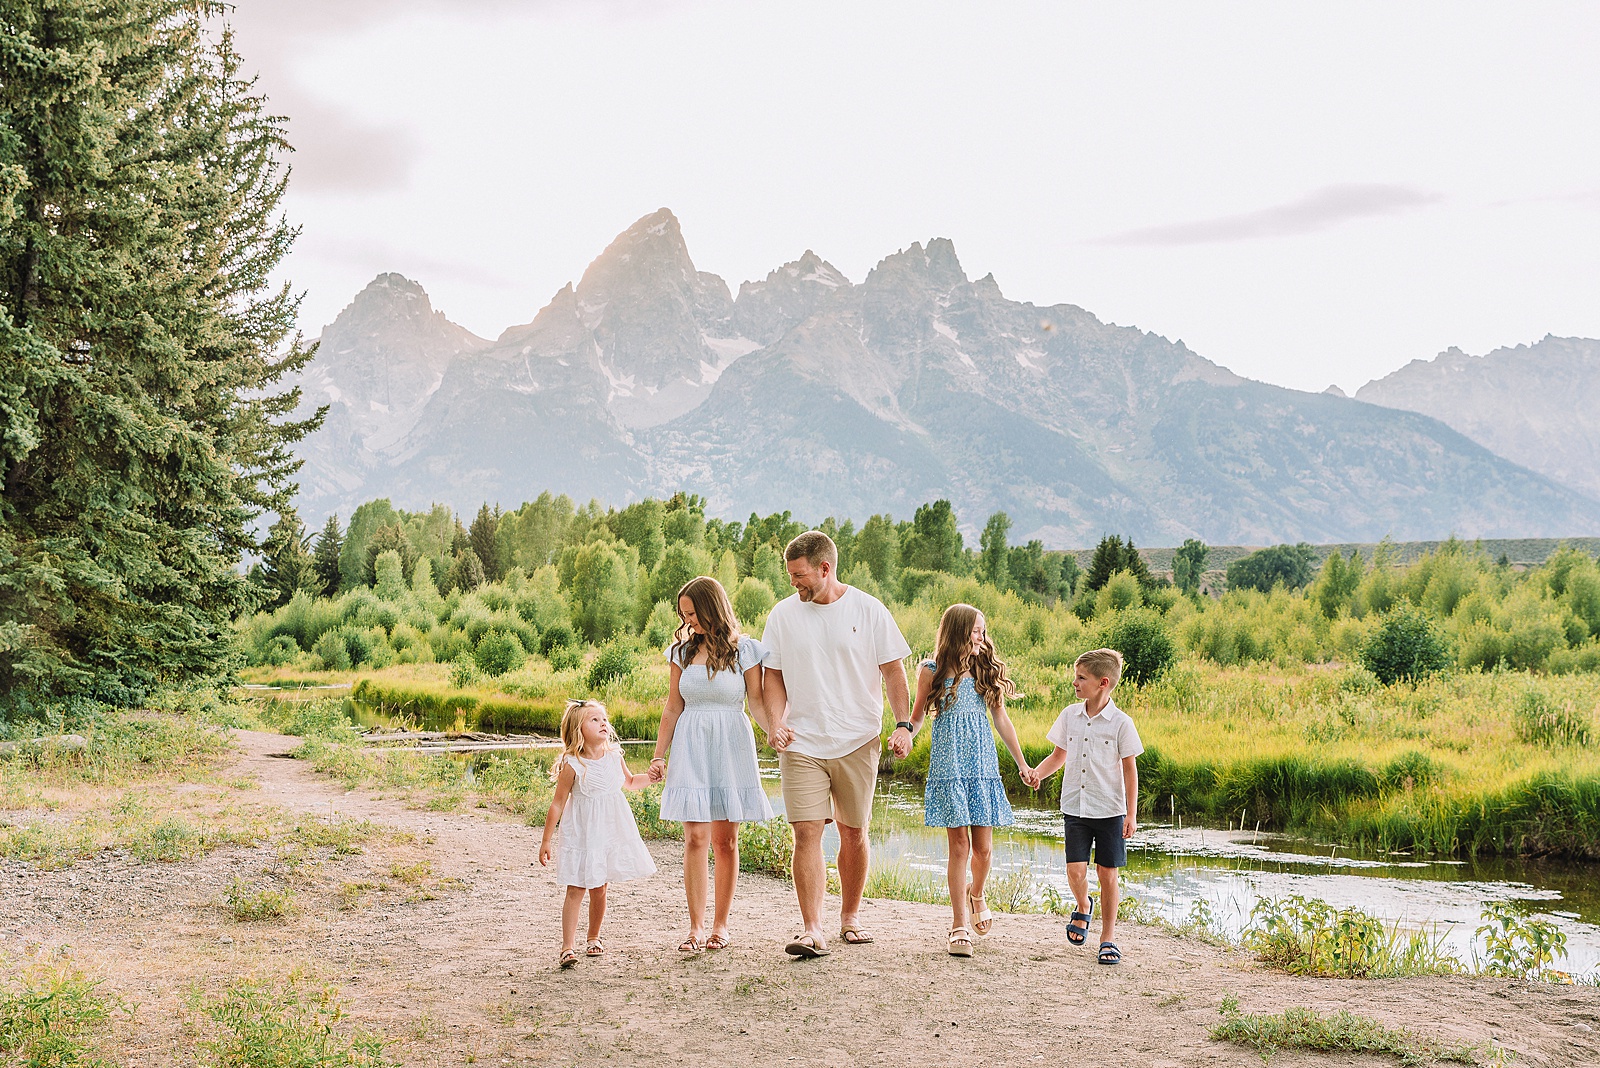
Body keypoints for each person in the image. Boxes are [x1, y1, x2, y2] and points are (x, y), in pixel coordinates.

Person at [762, 530, 912, 958]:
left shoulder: (868, 610)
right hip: (802, 741)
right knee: (806, 833)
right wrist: (775, 722)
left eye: (800, 575)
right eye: (790, 576)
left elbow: (894, 672)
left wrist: (903, 725)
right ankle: (812, 929)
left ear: (825, 568)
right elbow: (772, 676)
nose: (794, 583)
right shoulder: (783, 616)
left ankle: (850, 917)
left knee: (854, 832)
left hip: (857, 739)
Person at [649, 576, 789, 955]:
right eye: (683, 614)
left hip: (731, 744)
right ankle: (695, 927)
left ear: (711, 608)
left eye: (692, 613)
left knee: (725, 841)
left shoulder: (745, 650)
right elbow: (672, 706)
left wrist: (774, 730)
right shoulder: (680, 652)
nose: (688, 620)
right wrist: (659, 755)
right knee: (695, 837)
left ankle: (720, 925)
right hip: (691, 744)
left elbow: (757, 702)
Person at [907, 603, 1032, 957]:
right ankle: (958, 925)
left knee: (984, 850)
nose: (981, 637)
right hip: (949, 768)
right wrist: (905, 735)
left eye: (983, 630)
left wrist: (1022, 763)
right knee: (959, 846)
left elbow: (1002, 721)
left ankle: (975, 892)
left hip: (981, 767)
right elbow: (917, 718)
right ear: (959, 631)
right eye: (976, 630)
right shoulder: (930, 671)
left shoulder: (984, 671)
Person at [1024, 649, 1143, 966]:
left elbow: (1130, 770)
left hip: (1110, 810)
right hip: (1076, 807)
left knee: (1107, 874)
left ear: (1103, 683)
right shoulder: (1069, 716)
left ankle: (1108, 938)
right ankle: (1083, 904)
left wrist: (1131, 814)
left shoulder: (1121, 723)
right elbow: (1058, 755)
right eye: (1076, 676)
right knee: (1076, 871)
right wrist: (1038, 773)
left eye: (1081, 678)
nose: (1074, 683)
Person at [538, 699, 656, 969]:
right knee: (576, 886)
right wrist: (546, 840)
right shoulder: (573, 763)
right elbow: (558, 802)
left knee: (600, 887)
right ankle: (567, 947)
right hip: (582, 834)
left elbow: (631, 782)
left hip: (608, 832)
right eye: (594, 719)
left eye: (604, 719)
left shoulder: (614, 756)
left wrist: (651, 777)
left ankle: (594, 937)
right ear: (578, 729)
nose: (603, 723)